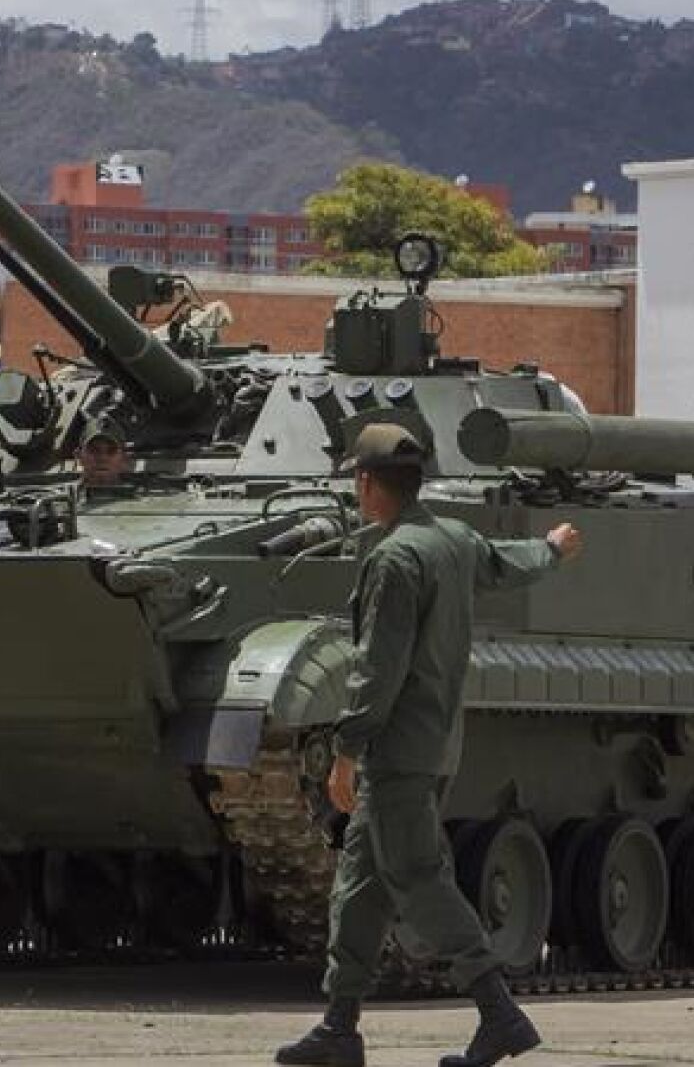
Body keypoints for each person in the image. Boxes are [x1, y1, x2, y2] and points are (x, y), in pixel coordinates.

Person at [275, 422, 582, 1067]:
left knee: (415, 878)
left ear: (365, 483)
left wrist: (348, 747)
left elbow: (379, 667)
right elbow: (506, 561)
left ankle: (499, 1014)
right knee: (359, 888)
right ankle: (339, 1027)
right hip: (435, 742)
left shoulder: (394, 557)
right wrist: (551, 550)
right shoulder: (451, 538)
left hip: (398, 751)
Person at [76, 418, 132, 489]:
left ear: (124, 458)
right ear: (79, 456)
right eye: (94, 450)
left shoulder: (143, 498)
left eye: (111, 450)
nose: (102, 458)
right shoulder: (60, 497)